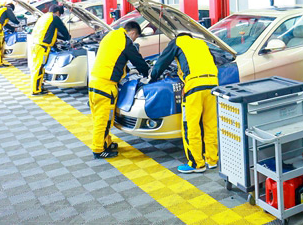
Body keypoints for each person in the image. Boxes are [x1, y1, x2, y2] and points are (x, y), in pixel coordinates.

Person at [149, 33, 219, 174]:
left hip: (194, 87)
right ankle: (212, 160)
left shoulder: (177, 42)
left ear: (178, 36)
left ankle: (196, 163)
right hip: (213, 84)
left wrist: (152, 78)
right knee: (210, 124)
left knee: (191, 125)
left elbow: (162, 62)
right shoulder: (201, 43)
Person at [88, 21, 150, 159]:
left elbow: (114, 58)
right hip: (106, 86)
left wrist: (127, 70)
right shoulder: (125, 41)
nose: (134, 40)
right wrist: (149, 74)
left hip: (94, 82)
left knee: (100, 118)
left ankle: (106, 143)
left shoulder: (111, 35)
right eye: (135, 37)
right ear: (133, 33)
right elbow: (138, 60)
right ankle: (98, 150)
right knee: (104, 120)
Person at [29, 4, 70, 95]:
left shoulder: (44, 17)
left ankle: (39, 86)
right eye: (60, 14)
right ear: (57, 12)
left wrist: (56, 44)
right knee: (39, 68)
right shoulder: (54, 17)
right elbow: (63, 30)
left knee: (37, 67)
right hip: (41, 47)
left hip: (35, 44)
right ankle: (36, 90)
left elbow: (50, 32)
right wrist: (67, 37)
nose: (59, 16)